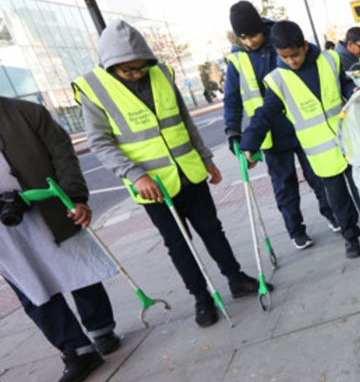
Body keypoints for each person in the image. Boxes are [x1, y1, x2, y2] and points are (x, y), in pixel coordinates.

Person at [77, 19, 271, 329]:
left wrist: (206, 158)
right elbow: (99, 142)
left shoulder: (162, 73)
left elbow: (183, 120)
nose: (138, 74)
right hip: (152, 186)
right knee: (178, 243)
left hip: (189, 171)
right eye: (129, 70)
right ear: (111, 64)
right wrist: (134, 174)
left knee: (212, 229)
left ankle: (235, 278)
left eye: (142, 67)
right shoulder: (93, 88)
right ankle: (201, 298)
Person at [0, 97, 120, 382]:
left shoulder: (26, 112)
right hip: (4, 232)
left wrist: (75, 195)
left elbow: (62, 154)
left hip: (51, 208)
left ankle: (101, 328)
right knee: (31, 287)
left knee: (77, 269)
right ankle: (77, 351)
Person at [240, 21, 360, 259]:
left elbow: (346, 83)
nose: (291, 61)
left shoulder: (329, 60)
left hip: (349, 140)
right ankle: (351, 238)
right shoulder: (278, 80)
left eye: (294, 55)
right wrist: (249, 142)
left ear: (305, 46)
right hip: (322, 155)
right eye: (284, 57)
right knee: (338, 201)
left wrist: (353, 91)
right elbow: (265, 114)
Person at [224, 1, 339, 250]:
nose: (250, 42)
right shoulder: (236, 61)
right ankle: (296, 231)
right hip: (268, 132)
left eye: (253, 35)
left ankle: (333, 214)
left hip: (301, 124)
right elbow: (231, 99)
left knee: (318, 175)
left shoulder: (281, 41)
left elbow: (310, 59)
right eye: (243, 37)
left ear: (261, 29)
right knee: (283, 185)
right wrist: (234, 131)